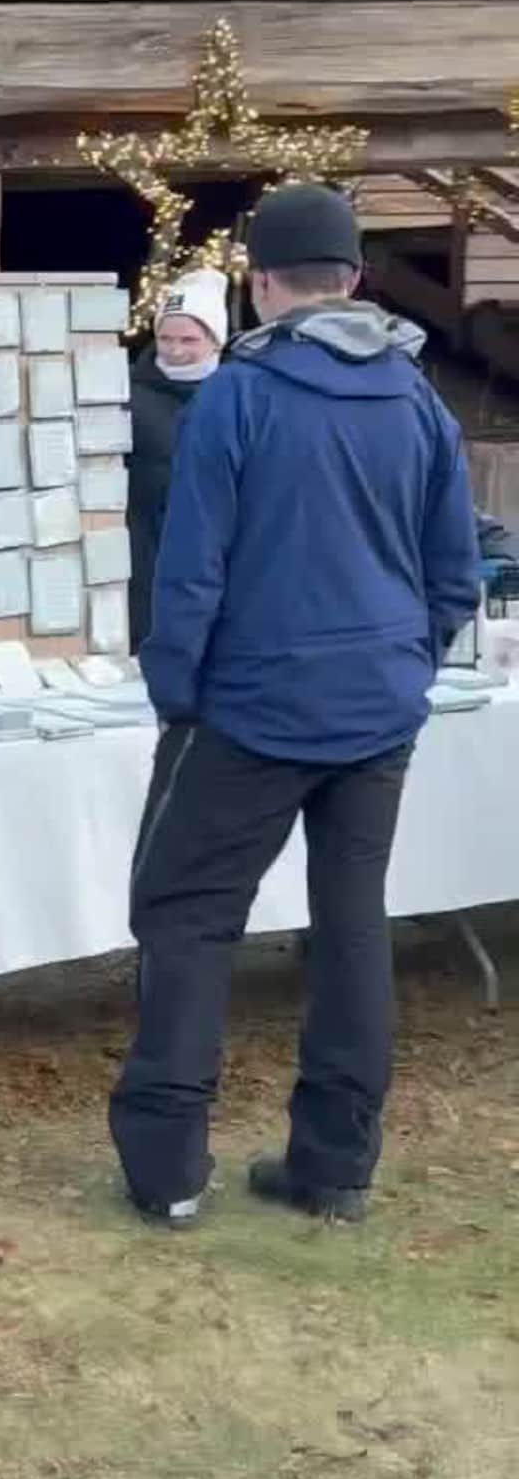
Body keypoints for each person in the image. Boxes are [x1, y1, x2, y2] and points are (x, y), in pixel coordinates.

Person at [110, 182, 479, 1230]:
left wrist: (175, 691)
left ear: (260, 283)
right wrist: (407, 660)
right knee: (350, 925)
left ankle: (167, 1167)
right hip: (373, 707)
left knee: (183, 914)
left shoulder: (238, 391)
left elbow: (190, 569)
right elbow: (454, 566)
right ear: (354, 280)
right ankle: (332, 1164)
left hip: (252, 706)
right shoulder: (414, 396)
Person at [127, 268, 228, 651]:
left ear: (214, 341)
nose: (175, 349)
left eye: (189, 339)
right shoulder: (130, 393)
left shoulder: (235, 392)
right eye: (166, 338)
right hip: (148, 546)